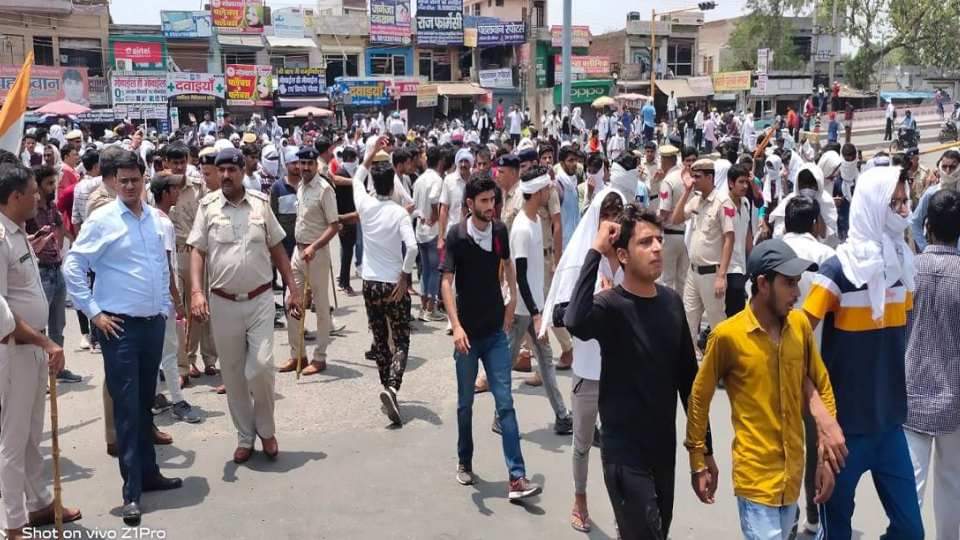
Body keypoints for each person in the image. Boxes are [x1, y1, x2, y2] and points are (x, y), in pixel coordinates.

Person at [565, 205, 714, 539]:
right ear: (623, 255)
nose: (658, 247)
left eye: (659, 240)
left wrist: (703, 452)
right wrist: (595, 250)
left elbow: (690, 385)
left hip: (664, 451)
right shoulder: (609, 306)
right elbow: (575, 319)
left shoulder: (672, 302)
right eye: (646, 242)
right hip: (624, 455)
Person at [686, 238, 838, 540]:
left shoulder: (800, 327)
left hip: (791, 479)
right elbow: (699, 399)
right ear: (763, 284)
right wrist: (698, 461)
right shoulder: (727, 337)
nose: (797, 293)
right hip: (755, 480)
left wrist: (826, 457)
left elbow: (822, 385)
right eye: (789, 284)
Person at [802, 166, 924, 540]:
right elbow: (796, 341)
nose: (904, 211)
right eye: (895, 202)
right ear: (872, 205)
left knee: (910, 531)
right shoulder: (838, 270)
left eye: (905, 202)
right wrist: (820, 415)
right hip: (844, 433)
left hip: (889, 425)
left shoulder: (905, 268)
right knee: (835, 531)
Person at [63, 150, 182, 527]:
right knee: (128, 409)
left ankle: (149, 474)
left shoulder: (155, 220)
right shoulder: (102, 220)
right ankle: (131, 492)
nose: (130, 186)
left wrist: (164, 307)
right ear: (113, 181)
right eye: (123, 180)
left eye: (136, 179)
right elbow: (74, 266)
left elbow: (161, 267)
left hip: (152, 324)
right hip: (120, 329)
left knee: (145, 403)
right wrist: (94, 313)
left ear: (145, 178)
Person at [188, 147, 302, 465]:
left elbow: (278, 248)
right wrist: (197, 292)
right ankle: (245, 436)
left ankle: (266, 429)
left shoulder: (261, 205)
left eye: (231, 170)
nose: (225, 175)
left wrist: (292, 289)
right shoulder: (207, 207)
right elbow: (197, 251)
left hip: (261, 299)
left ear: (242, 171)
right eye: (220, 170)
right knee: (234, 372)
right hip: (222, 302)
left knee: (262, 366)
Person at [440, 174, 542, 501]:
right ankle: (464, 460)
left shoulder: (499, 231)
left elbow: (508, 265)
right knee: (465, 405)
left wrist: (511, 303)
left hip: (497, 334)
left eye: (493, 200)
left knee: (506, 404)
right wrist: (455, 326)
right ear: (470, 204)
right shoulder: (457, 237)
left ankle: (517, 477)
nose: (490, 207)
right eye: (483, 202)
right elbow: (446, 283)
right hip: (467, 338)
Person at [0, 162, 82, 539]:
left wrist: (32, 248)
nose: (39, 196)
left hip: (30, 346)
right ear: (15, 196)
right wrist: (45, 341)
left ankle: (40, 505)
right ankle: (13, 524)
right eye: (33, 191)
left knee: (33, 435)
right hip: (15, 350)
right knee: (13, 441)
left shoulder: (16, 233)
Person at [903, 188, 960, 540]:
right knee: (952, 483)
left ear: (927, 225)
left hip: (911, 391)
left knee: (910, 485)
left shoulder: (910, 270)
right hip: (955, 396)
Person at [780, 194, 838, 535]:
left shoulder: (770, 250)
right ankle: (815, 519)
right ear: (815, 223)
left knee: (783, 444)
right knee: (818, 445)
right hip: (816, 368)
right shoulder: (829, 257)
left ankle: (786, 516)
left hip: (775, 364)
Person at [352, 138, 419, 425]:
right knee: (401, 339)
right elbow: (413, 247)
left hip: (370, 283)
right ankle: (392, 387)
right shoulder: (397, 213)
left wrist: (368, 156)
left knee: (380, 339)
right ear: (393, 185)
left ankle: (386, 388)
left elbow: (356, 176)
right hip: (394, 283)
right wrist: (405, 274)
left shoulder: (365, 205)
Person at [506, 166, 573, 433]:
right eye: (546, 189)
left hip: (535, 307)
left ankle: (561, 414)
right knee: (505, 365)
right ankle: (502, 414)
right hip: (524, 311)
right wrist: (535, 313)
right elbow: (520, 275)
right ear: (537, 192)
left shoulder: (535, 221)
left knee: (546, 362)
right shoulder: (522, 228)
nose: (550, 192)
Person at [279, 144, 341, 375]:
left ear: (316, 164)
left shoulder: (325, 189)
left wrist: (314, 247)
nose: (304, 167)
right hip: (297, 252)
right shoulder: (300, 187)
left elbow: (334, 226)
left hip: (317, 254)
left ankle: (320, 357)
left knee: (321, 307)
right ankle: (298, 355)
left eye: (308, 164)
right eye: (301, 163)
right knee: (290, 301)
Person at [148, 173, 200, 423]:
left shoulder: (148, 217)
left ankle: (157, 396)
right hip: (161, 297)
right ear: (166, 193)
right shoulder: (165, 223)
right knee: (169, 352)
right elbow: (166, 266)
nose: (178, 191)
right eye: (175, 188)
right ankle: (178, 400)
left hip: (148, 296)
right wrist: (178, 300)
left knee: (156, 353)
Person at [164, 142, 218, 385]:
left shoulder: (199, 188)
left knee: (200, 306)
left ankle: (203, 358)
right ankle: (185, 361)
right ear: (166, 163)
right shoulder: (160, 187)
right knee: (179, 310)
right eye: (173, 162)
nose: (178, 166)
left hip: (196, 252)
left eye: (181, 161)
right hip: (172, 254)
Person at [668, 158, 736, 350]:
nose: (694, 180)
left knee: (717, 324)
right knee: (688, 322)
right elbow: (676, 218)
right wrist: (687, 192)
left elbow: (729, 239)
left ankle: (721, 369)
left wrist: (721, 276)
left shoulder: (723, 202)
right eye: (692, 176)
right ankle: (691, 369)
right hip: (693, 272)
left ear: (710, 177)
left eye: (697, 177)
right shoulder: (696, 200)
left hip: (712, 273)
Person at [24, 165, 82, 383]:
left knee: (58, 325)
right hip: (40, 271)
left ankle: (58, 370)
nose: (53, 188)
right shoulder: (28, 211)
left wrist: (76, 242)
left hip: (56, 270)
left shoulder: (51, 206)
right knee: (38, 326)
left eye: (54, 183)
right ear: (37, 185)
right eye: (49, 184)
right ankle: (40, 374)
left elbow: (61, 226)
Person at [411, 145, 446, 322]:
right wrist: (434, 215)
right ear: (440, 162)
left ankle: (424, 306)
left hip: (420, 229)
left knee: (425, 270)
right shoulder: (437, 180)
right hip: (431, 230)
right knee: (434, 271)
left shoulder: (419, 180)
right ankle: (430, 308)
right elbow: (434, 199)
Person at [657, 146, 697, 293]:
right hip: (689, 235)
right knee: (683, 279)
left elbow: (664, 212)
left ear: (664, 160)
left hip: (670, 235)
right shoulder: (692, 178)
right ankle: (682, 313)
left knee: (667, 279)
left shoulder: (668, 181)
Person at [910, 149, 960, 252]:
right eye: (944, 166)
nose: (947, 171)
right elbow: (915, 221)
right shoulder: (931, 193)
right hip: (936, 254)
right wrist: (924, 247)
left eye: (952, 167)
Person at [724, 163, 754, 317]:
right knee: (734, 311)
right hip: (728, 267)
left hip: (742, 265)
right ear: (731, 183)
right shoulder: (723, 204)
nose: (744, 186)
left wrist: (753, 256)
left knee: (735, 308)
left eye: (746, 182)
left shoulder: (746, 203)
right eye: (741, 182)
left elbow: (747, 231)